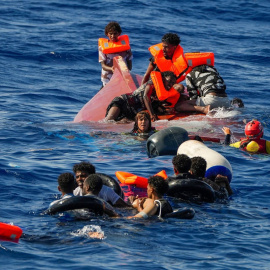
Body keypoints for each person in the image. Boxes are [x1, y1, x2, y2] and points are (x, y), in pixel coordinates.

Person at [105, 71, 177, 122]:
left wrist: (163, 110)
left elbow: (155, 104)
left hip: (131, 111)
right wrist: (152, 115)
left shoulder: (161, 93)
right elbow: (145, 97)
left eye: (173, 83)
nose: (170, 84)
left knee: (124, 122)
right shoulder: (152, 84)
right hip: (122, 102)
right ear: (163, 79)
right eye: (169, 81)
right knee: (109, 120)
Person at [98, 21, 133, 87]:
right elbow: (103, 66)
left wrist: (124, 71)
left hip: (122, 78)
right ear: (107, 34)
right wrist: (111, 69)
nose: (113, 36)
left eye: (115, 33)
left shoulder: (126, 47)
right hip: (107, 79)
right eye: (110, 34)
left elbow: (130, 65)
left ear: (119, 33)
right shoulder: (102, 47)